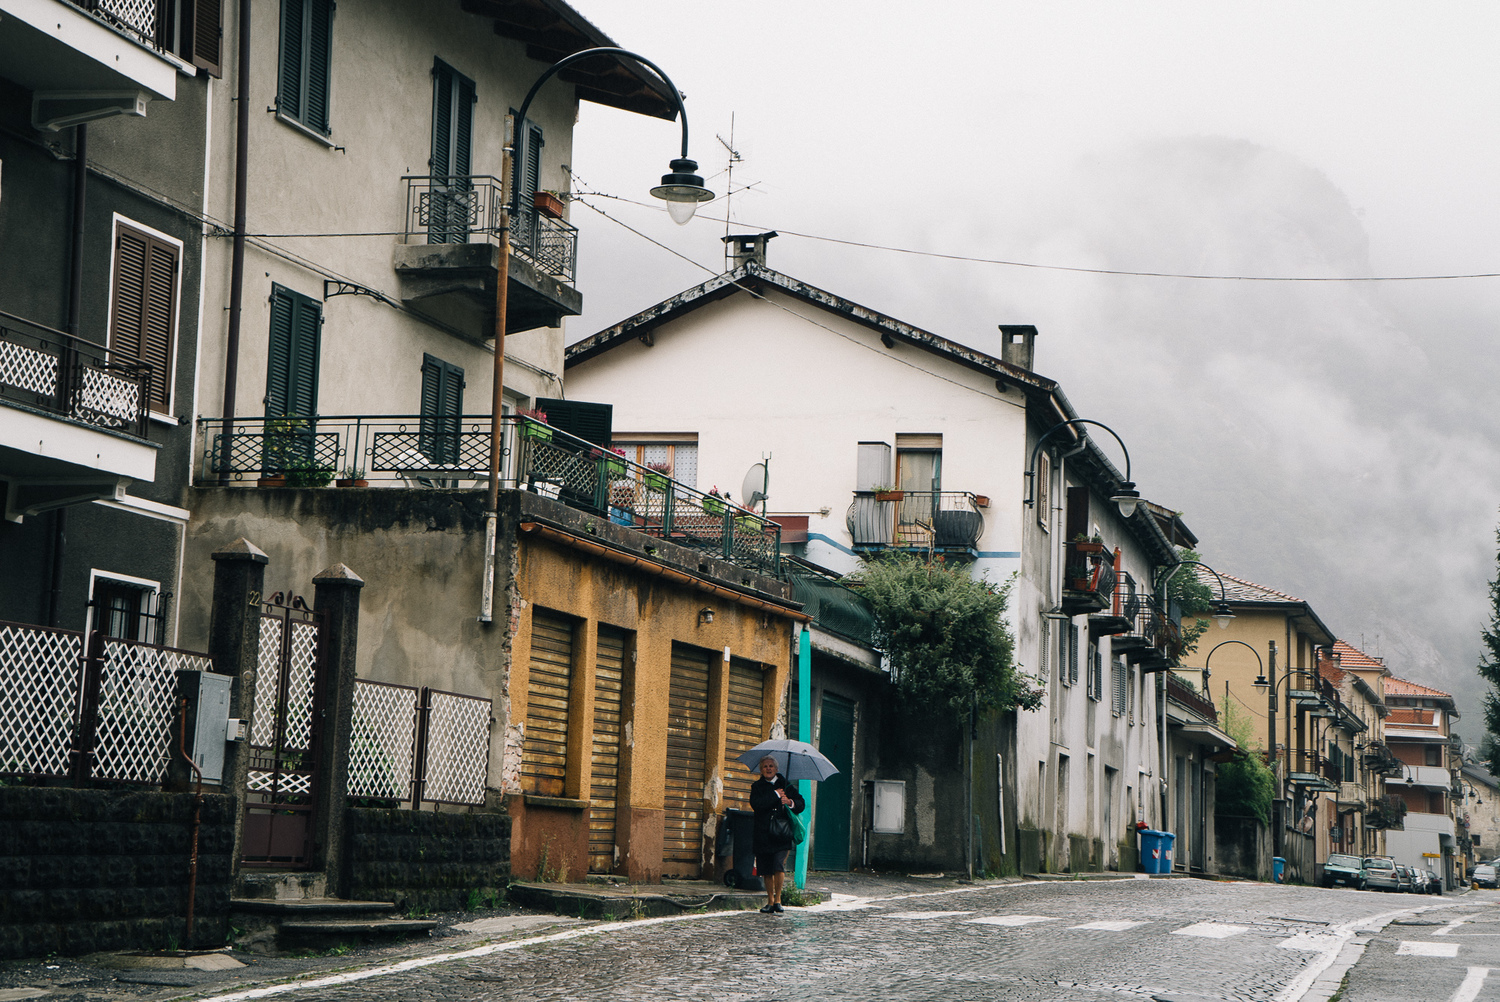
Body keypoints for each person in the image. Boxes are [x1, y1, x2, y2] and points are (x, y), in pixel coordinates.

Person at [749, 754, 805, 914]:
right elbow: (756, 805)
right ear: (761, 769)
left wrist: (789, 802)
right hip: (763, 834)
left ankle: (779, 900)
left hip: (782, 833)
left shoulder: (786, 785)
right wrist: (775, 795)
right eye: (765, 766)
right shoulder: (757, 787)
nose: (768, 769)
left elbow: (801, 804)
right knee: (766, 868)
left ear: (776, 769)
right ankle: (770, 901)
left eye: (771, 766)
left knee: (778, 865)